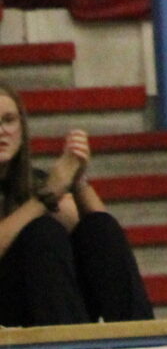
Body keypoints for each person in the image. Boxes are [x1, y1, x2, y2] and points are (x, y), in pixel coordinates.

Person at [0, 89, 152, 328]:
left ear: (22, 127)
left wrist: (78, 180)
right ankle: (66, 342)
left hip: (49, 303)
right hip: (11, 309)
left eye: (8, 120)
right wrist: (43, 199)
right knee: (42, 233)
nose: (1, 131)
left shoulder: (35, 181)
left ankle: (141, 336)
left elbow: (104, 238)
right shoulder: (43, 191)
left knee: (100, 227)